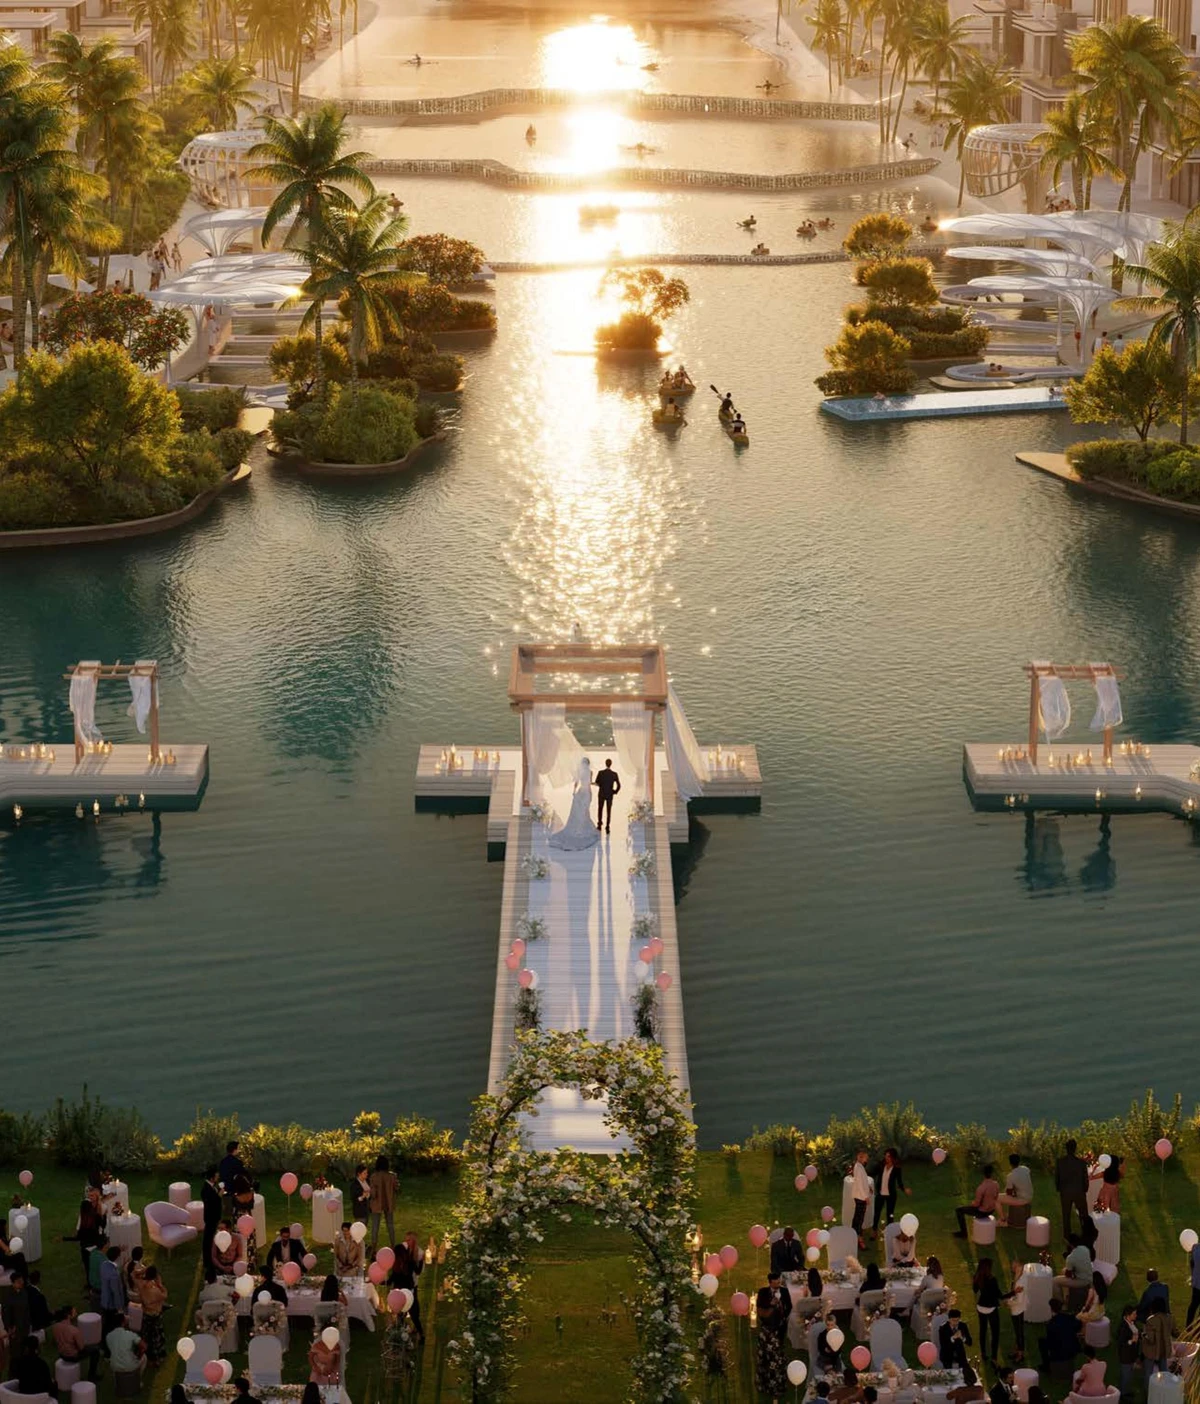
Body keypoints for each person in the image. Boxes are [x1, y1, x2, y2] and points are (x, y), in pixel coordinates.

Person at [548, 757, 601, 851]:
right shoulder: (590, 772)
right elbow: (589, 782)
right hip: (587, 792)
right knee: (585, 810)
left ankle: (578, 826)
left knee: (579, 811)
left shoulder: (580, 772)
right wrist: (596, 784)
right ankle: (582, 827)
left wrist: (574, 791)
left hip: (581, 792)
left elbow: (576, 783)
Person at [972, 1259, 1010, 1364]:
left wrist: (975, 1279)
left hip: (981, 1307)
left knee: (983, 1331)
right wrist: (1013, 1292)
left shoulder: (977, 1277)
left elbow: (975, 1290)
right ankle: (994, 1357)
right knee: (995, 1333)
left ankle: (983, 1353)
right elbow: (1000, 1296)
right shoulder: (992, 1279)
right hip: (991, 1308)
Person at [54, 1305, 101, 1383]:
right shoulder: (74, 1330)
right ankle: (92, 1375)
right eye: (74, 1312)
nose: (76, 1313)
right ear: (69, 1316)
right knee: (95, 1351)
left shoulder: (55, 1326)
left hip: (61, 1354)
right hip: (72, 1356)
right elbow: (81, 1348)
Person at [1055, 1139, 1089, 1238]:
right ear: (1075, 1148)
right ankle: (1086, 1232)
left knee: (1066, 1214)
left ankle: (1067, 1234)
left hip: (1065, 1191)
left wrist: (1059, 1188)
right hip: (1079, 1192)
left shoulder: (1060, 1162)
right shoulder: (1081, 1163)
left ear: (1066, 1149)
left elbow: (1057, 1177)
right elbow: (1085, 1178)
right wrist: (1085, 1189)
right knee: (1083, 1214)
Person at [871, 1147, 911, 1232]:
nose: (886, 1158)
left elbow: (899, 1182)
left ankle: (890, 1231)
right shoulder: (881, 1165)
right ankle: (874, 1231)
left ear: (893, 1157)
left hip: (891, 1195)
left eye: (888, 1156)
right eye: (886, 1156)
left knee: (890, 1214)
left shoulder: (896, 1168)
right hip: (880, 1194)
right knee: (876, 1213)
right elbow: (872, 1173)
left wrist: (904, 1189)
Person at [389, 1244, 424, 1340]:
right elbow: (418, 1271)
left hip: (399, 1295)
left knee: (400, 1317)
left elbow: (390, 1281)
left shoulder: (395, 1267)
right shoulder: (410, 1262)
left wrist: (380, 1281)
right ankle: (421, 1334)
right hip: (410, 1293)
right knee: (415, 1317)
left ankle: (401, 1337)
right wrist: (421, 1261)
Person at [954, 1164, 1000, 1237]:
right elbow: (996, 1198)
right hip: (991, 1210)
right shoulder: (996, 1184)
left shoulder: (981, 1188)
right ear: (992, 1173)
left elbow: (976, 1204)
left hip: (982, 1212)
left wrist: (972, 1203)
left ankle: (963, 1233)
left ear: (983, 1174)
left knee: (959, 1210)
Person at [106, 1313, 145, 1398]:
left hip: (115, 1366)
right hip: (130, 1365)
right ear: (123, 1322)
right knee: (144, 1358)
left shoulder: (108, 1336)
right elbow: (144, 1346)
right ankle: (137, 1380)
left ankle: (118, 1384)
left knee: (114, 1359)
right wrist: (139, 1355)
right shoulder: (129, 1334)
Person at [1038, 1298, 1081, 1372]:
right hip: (1073, 1349)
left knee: (1041, 1342)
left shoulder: (1051, 1324)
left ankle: (1046, 1366)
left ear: (1051, 1309)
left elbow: (1051, 1342)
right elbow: (1078, 1325)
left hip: (1059, 1354)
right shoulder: (1069, 1317)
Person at [138, 1266, 168, 1364]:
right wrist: (160, 1284)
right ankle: (156, 1359)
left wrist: (143, 1271)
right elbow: (165, 1295)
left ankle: (147, 1356)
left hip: (146, 1315)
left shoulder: (141, 1285)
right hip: (154, 1316)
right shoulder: (155, 1290)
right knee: (156, 1338)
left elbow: (133, 1275)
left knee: (146, 1336)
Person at [368, 1155, 398, 1251]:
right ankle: (393, 1245)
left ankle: (374, 1248)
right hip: (389, 1203)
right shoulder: (392, 1176)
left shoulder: (373, 1176)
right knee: (390, 1225)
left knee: (375, 1226)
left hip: (376, 1204)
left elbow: (373, 1193)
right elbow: (397, 1188)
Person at [1052, 1235, 1093, 1302]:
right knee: (1063, 1270)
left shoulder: (1070, 1258)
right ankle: (1068, 1295)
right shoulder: (1085, 1249)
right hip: (1089, 1276)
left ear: (1070, 1243)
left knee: (1054, 1281)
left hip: (1082, 1281)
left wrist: (1072, 1270)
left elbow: (1068, 1275)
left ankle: (1060, 1301)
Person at [1140, 1298, 1173, 1380]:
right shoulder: (1169, 1318)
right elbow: (1174, 1331)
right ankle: (1164, 1386)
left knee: (1148, 1373)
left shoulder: (1151, 1320)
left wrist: (1143, 1334)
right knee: (1164, 1372)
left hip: (1152, 1350)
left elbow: (1151, 1339)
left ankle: (1149, 1387)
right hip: (1164, 1349)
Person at [997, 1153, 1033, 1226]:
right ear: (1019, 1161)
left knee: (996, 1198)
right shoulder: (1026, 1169)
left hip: (1022, 1199)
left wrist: (1010, 1189)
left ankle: (1003, 1220)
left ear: (1010, 1163)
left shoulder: (1011, 1176)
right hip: (1030, 1196)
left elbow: (1009, 1193)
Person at [99, 1247, 127, 1338]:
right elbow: (115, 1292)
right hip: (111, 1304)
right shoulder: (114, 1274)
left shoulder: (103, 1265)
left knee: (106, 1321)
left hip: (104, 1299)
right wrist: (119, 1307)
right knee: (111, 1324)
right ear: (117, 1257)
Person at [1116, 1302, 1139, 1399]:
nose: (1136, 1315)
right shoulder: (1123, 1327)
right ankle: (1123, 1393)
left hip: (1131, 1354)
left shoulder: (1132, 1323)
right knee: (1126, 1374)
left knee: (1129, 1374)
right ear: (1128, 1315)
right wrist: (1131, 1341)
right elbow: (1121, 1343)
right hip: (1126, 1355)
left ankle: (1126, 1390)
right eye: (1134, 1314)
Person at [201, 1168, 222, 1268]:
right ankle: (207, 1261)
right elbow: (211, 1203)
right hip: (210, 1217)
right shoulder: (206, 1189)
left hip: (214, 1217)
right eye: (216, 1176)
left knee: (211, 1238)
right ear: (211, 1177)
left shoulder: (212, 1186)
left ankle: (211, 1257)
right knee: (208, 1239)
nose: (218, 1178)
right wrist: (219, 1196)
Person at [1007, 1263, 1027, 1362]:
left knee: (1019, 1332)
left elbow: (1018, 1300)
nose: (1013, 1268)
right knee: (1018, 1332)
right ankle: (1017, 1349)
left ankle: (1020, 1354)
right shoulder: (1017, 1279)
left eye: (1015, 1266)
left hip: (1018, 1310)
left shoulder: (1020, 1282)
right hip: (1017, 1309)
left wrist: (1008, 1302)